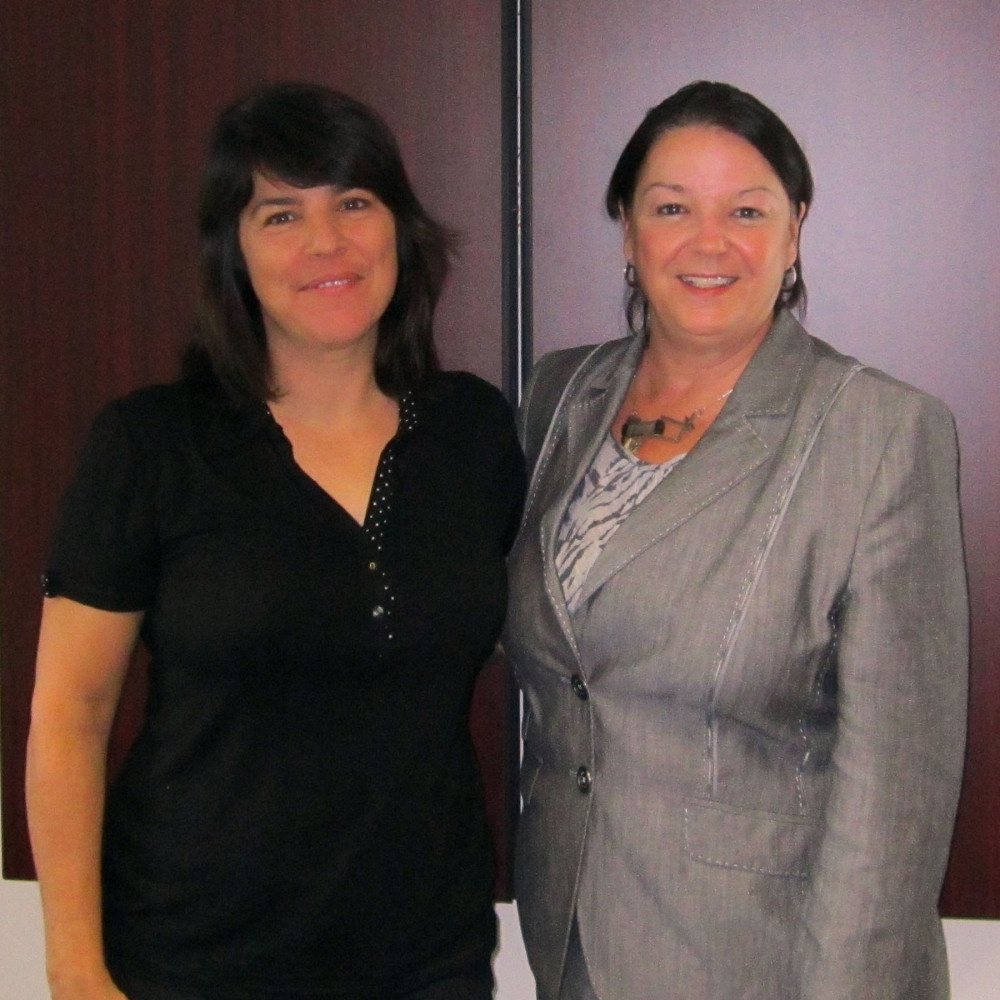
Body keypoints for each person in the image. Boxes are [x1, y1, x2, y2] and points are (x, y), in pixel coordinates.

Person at [26, 81, 525, 1000]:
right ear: (235, 251)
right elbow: (70, 716)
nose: (325, 243)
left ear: (400, 230)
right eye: (281, 215)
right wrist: (75, 967)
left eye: (354, 203)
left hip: (428, 963)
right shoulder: (151, 444)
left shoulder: (475, 434)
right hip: (190, 962)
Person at [504, 81, 967, 1000]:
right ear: (628, 232)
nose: (708, 243)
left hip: (769, 963)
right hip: (569, 944)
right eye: (672, 208)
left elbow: (898, 796)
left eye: (746, 211)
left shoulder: (880, 432)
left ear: (794, 232)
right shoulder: (560, 397)